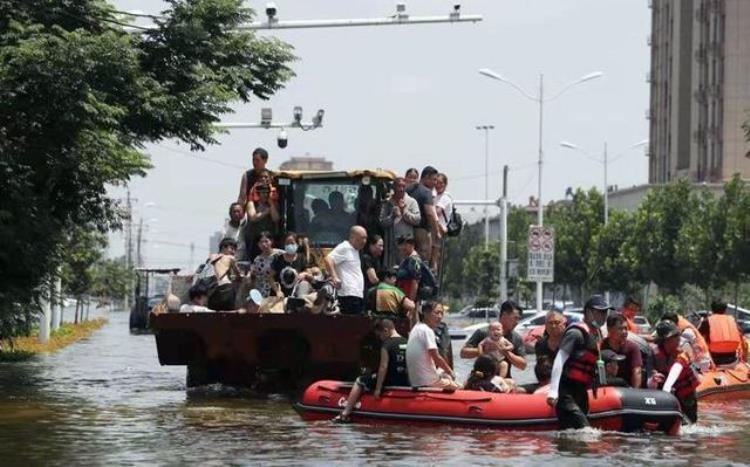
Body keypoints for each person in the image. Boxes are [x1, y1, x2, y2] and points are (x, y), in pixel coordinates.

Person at [546, 295, 613, 430]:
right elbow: (559, 359)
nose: (604, 316)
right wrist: (553, 391)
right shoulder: (576, 333)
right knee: (585, 431)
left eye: (605, 312)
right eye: (600, 312)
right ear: (588, 312)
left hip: (581, 391)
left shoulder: (597, 333)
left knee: (573, 432)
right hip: (566, 391)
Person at [333, 319, 409, 423]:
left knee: (360, 380)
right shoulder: (406, 342)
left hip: (390, 379)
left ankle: (345, 412)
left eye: (380, 335)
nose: (380, 338)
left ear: (386, 331)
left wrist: (378, 389)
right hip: (403, 380)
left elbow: (383, 367)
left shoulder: (387, 345)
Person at [649, 320, 700, 424]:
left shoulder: (682, 356)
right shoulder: (654, 353)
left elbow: (668, 384)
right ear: (666, 340)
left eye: (678, 335)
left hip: (685, 396)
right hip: (667, 392)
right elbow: (649, 376)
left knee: (689, 423)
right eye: (675, 336)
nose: (679, 339)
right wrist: (653, 378)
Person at [460, 300, 527, 377]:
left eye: (518, 319)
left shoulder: (516, 338)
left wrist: (506, 352)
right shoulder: (483, 332)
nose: (517, 322)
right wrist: (483, 350)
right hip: (481, 376)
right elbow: (463, 353)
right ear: (504, 315)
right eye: (515, 318)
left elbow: (523, 365)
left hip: (504, 379)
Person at [405, 301, 459, 389]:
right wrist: (450, 372)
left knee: (443, 373)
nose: (440, 317)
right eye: (437, 313)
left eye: (442, 313)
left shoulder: (416, 328)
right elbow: (436, 357)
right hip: (428, 381)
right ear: (426, 313)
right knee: (459, 386)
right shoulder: (427, 330)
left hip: (416, 381)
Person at [324, 226, 368, 315]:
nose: (364, 242)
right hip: (348, 294)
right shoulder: (345, 247)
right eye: (361, 239)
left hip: (356, 294)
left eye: (365, 238)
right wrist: (334, 277)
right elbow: (328, 259)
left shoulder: (355, 251)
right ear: (352, 237)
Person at [406, 166, 441, 263]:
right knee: (423, 259)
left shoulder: (408, 190)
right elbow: (430, 214)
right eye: (434, 179)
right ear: (426, 177)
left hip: (407, 230)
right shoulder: (426, 192)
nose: (435, 183)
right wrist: (436, 232)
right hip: (422, 231)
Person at [601, 314, 644, 388]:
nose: (624, 332)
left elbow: (637, 372)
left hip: (626, 390)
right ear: (609, 329)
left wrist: (635, 393)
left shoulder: (632, 348)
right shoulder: (600, 346)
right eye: (620, 329)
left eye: (626, 328)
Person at [246, 170, 280, 260]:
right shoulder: (252, 203)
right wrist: (266, 211)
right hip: (256, 240)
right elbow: (253, 217)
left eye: (266, 192)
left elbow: (276, 218)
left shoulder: (272, 204)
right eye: (262, 191)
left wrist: (271, 204)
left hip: (270, 240)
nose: (264, 194)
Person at [379, 177, 421, 246]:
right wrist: (392, 216)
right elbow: (381, 222)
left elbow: (417, 220)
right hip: (391, 241)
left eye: (403, 186)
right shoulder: (387, 202)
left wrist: (404, 211)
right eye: (399, 186)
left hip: (406, 241)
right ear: (393, 187)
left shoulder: (411, 201)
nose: (401, 189)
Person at [205, 237, 242, 311]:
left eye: (235, 250)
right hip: (226, 288)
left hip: (211, 289)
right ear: (223, 247)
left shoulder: (212, 257)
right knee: (229, 313)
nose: (233, 252)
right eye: (231, 248)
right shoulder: (230, 258)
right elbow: (238, 275)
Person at [704, 300, 745, 365]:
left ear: (712, 310)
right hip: (732, 359)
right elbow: (741, 335)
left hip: (714, 359)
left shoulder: (707, 320)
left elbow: (697, 335)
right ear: (725, 310)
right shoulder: (732, 320)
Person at [271, 232, 310, 298]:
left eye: (292, 243)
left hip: (296, 295)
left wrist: (304, 274)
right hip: (281, 296)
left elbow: (308, 273)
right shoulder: (278, 259)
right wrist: (277, 291)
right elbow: (270, 277)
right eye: (287, 243)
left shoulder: (302, 258)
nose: (290, 245)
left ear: (297, 244)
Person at [251, 231, 283, 298]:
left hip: (279, 287)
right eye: (261, 242)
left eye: (266, 241)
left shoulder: (281, 254)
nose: (264, 244)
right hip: (263, 290)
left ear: (271, 241)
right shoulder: (257, 260)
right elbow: (255, 277)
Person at [431, 172, 452, 272]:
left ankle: (433, 278)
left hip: (439, 229)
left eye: (441, 183)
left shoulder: (445, 198)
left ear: (445, 184)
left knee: (434, 257)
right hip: (433, 228)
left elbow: (437, 212)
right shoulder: (435, 197)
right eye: (436, 182)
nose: (438, 185)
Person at [395, 235, 422, 304]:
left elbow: (415, 281)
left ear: (412, 245)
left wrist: (411, 301)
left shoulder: (414, 260)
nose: (401, 247)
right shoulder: (407, 259)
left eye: (405, 245)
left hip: (408, 296)